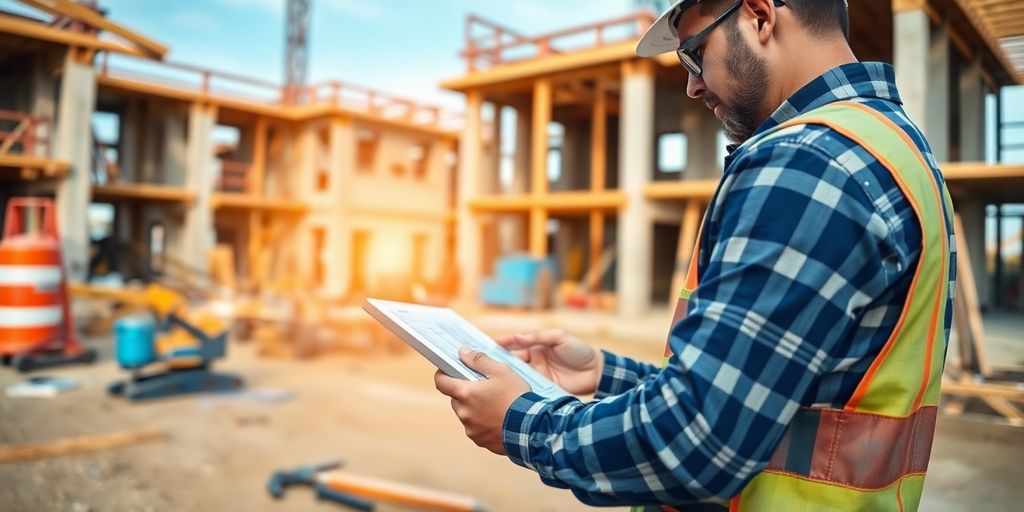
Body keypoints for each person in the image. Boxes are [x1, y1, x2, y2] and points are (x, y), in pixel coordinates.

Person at [434, 1, 956, 510]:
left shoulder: (806, 163)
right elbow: (767, 396)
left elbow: (698, 442)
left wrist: (523, 423)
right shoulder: (892, 148)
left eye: (695, 53)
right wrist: (605, 373)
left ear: (759, 16)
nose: (692, 85)